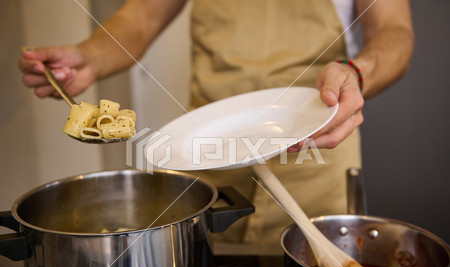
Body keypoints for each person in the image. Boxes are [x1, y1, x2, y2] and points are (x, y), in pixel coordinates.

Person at [18, 0, 414, 250]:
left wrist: (356, 73)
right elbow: (141, 17)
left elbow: (394, 30)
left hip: (315, 156)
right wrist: (86, 57)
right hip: (207, 161)